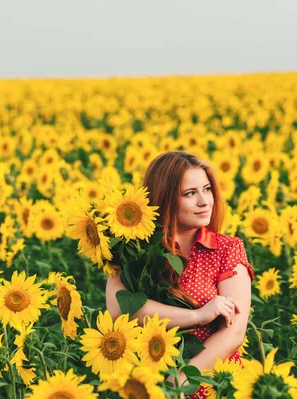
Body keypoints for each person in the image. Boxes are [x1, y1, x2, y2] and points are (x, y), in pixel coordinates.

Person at [106, 151, 253, 398]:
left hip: (215, 385)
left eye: (207, 189)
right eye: (190, 194)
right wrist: (196, 316)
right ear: (165, 199)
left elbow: (234, 332)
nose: (205, 201)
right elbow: (121, 311)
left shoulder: (227, 249)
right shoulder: (135, 251)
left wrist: (181, 382)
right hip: (148, 381)